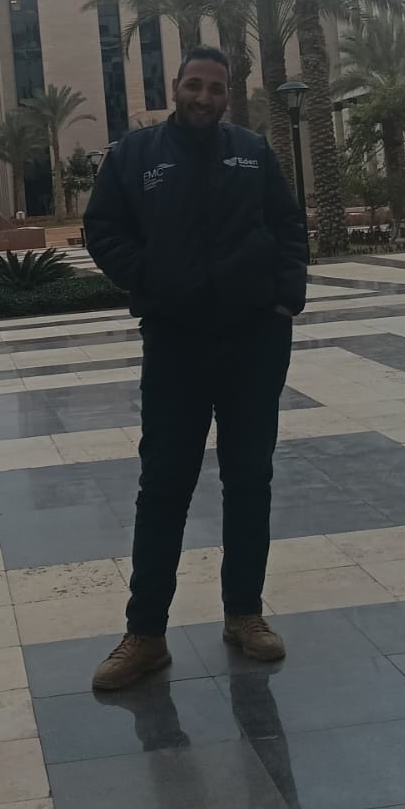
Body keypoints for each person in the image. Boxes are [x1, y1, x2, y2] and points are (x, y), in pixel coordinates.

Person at [84, 46, 307, 691]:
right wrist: (152, 281)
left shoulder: (252, 152)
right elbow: (102, 229)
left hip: (254, 340)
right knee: (163, 485)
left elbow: (287, 225)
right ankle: (145, 634)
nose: (204, 97)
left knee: (249, 479)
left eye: (215, 88)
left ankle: (245, 614)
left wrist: (285, 298)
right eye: (194, 85)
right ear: (176, 87)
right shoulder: (135, 156)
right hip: (176, 342)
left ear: (227, 95)